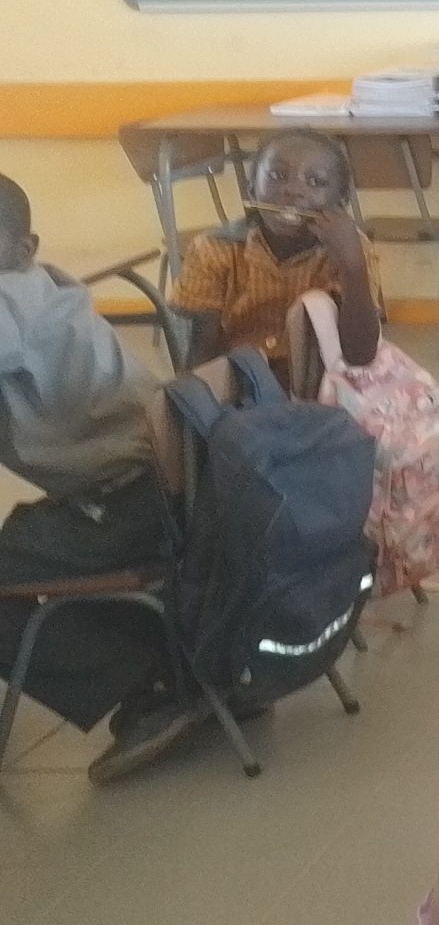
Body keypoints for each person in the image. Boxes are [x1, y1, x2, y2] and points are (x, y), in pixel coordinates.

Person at [0, 175, 197, 781]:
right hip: (177, 480)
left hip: (131, 502)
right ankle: (172, 661)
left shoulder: (11, 301)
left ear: (24, 249)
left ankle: (150, 687)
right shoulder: (42, 284)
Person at [171, 132, 383, 375]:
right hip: (240, 380)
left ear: (341, 203)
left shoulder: (353, 250)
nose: (293, 191)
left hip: (322, 384)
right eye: (277, 176)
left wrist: (352, 265)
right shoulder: (213, 250)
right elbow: (200, 356)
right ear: (251, 190)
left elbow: (360, 355)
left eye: (315, 182)